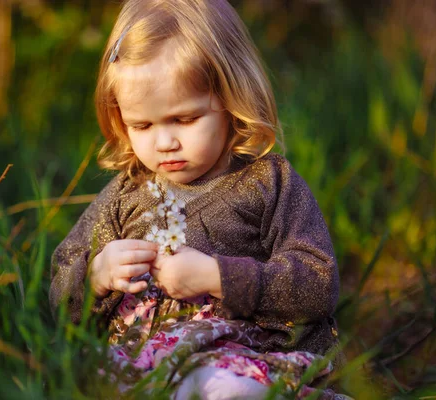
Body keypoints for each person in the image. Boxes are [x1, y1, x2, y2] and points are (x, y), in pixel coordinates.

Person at [50, 0, 347, 398]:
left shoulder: (265, 183)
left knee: (222, 388)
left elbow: (317, 284)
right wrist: (96, 276)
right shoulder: (125, 195)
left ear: (231, 97)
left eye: (185, 119)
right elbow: (59, 293)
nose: (165, 142)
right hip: (139, 364)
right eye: (141, 124)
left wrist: (218, 278)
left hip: (236, 357)